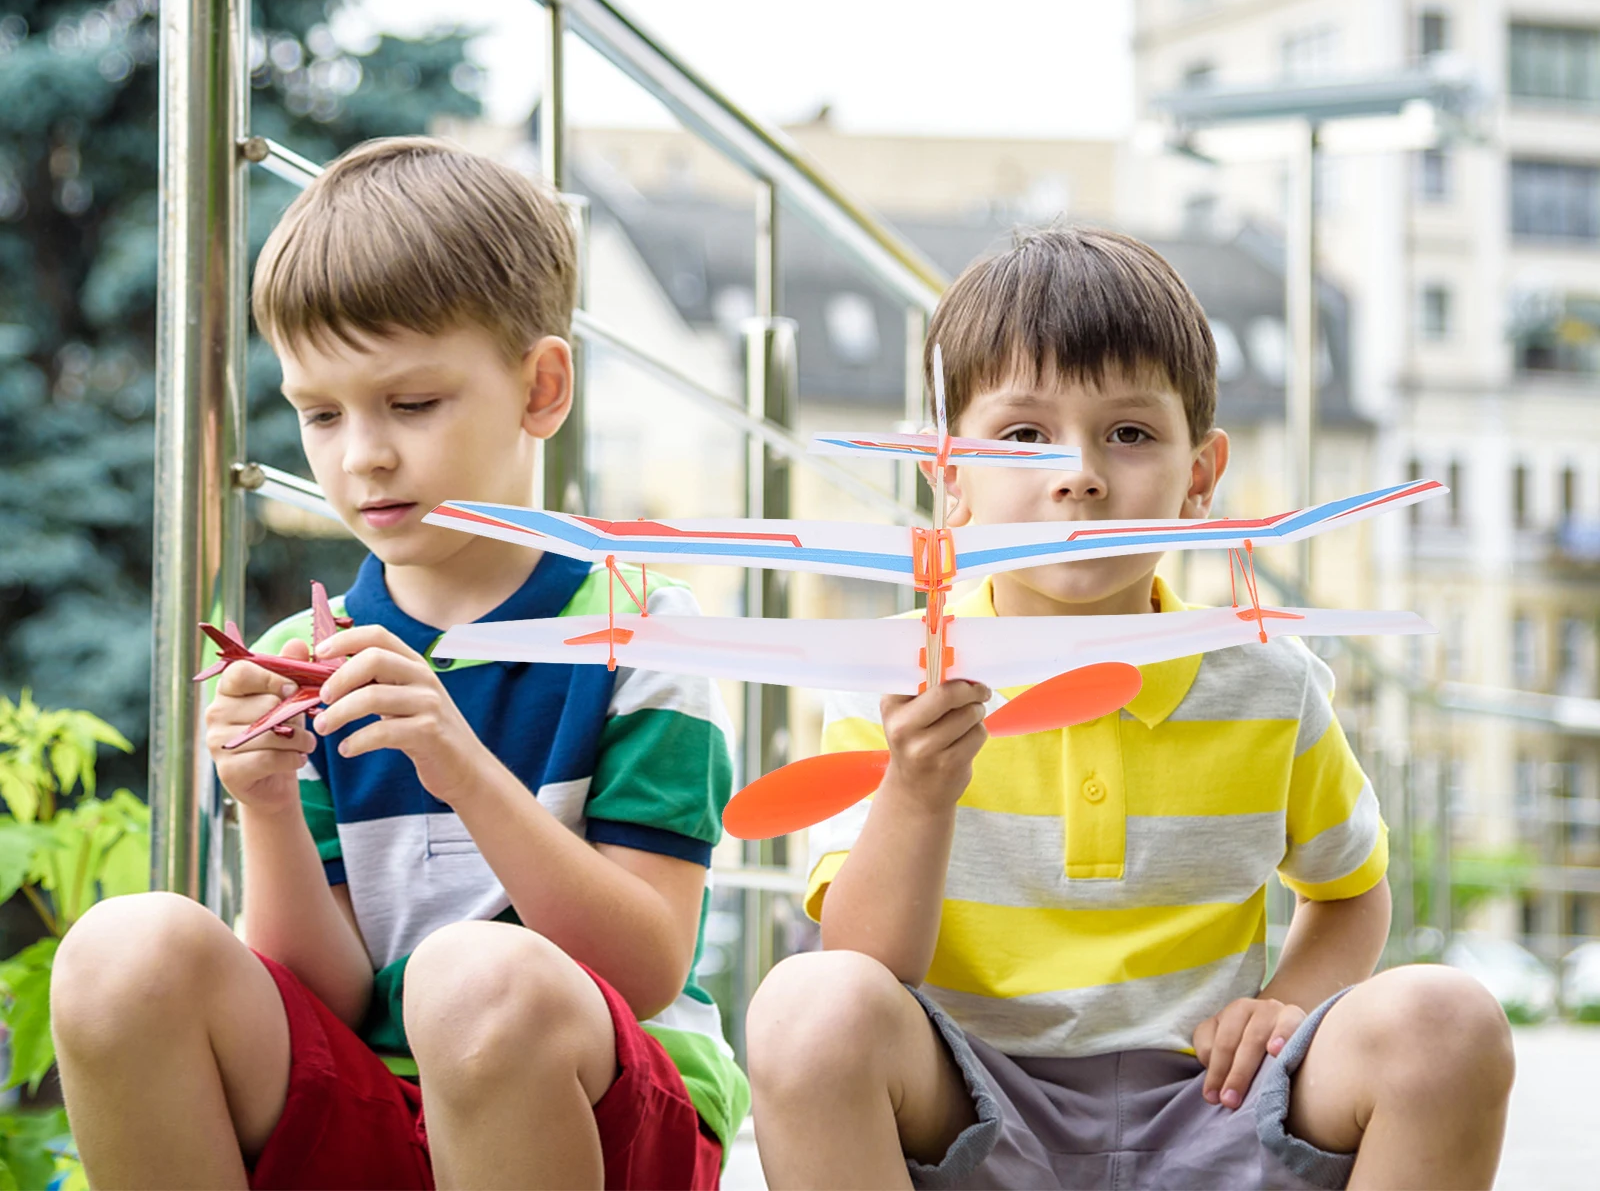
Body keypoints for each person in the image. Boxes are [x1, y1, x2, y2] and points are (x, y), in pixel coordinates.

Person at [747, 226, 1513, 1190]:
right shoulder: (894, 677)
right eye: (1023, 436)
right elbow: (866, 966)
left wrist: (1289, 1000)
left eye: (1131, 433)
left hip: (1214, 1108)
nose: (1081, 473)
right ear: (948, 476)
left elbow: (1351, 889)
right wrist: (916, 791)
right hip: (969, 1114)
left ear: (1201, 477)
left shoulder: (1268, 678)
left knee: (1448, 1022)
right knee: (805, 1006)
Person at [52, 137, 746, 1191]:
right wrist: (265, 800)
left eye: (410, 404)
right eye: (319, 413)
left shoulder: (640, 630)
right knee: (121, 953)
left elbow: (645, 967)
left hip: (606, 1115)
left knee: (472, 978)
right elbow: (326, 996)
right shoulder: (305, 658)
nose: (360, 454)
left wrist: (461, 769)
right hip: (388, 1103)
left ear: (541, 388)